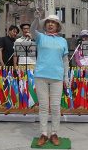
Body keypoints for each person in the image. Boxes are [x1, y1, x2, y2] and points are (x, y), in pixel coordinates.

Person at [30, 12, 69, 147]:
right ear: (45, 25)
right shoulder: (40, 37)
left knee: (55, 107)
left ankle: (54, 133)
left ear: (57, 26)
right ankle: (43, 134)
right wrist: (36, 18)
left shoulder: (63, 41)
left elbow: (65, 61)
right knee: (43, 107)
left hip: (57, 77)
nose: (51, 24)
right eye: (48, 22)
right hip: (41, 75)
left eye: (54, 22)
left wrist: (66, 77)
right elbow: (32, 30)